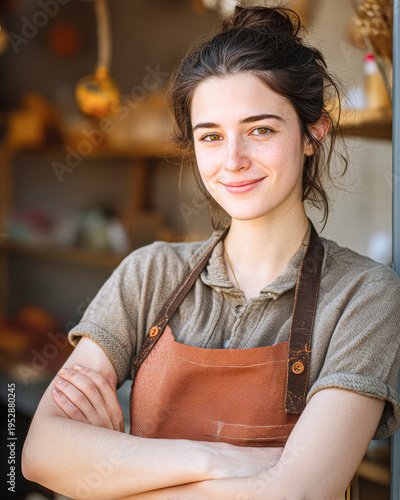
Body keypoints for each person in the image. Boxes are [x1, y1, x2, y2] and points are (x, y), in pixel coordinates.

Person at [22, 5, 400, 500]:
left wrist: (113, 473)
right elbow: (40, 454)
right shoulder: (149, 272)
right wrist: (223, 460)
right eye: (211, 136)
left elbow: (298, 494)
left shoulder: (366, 297)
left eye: (261, 129)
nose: (233, 160)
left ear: (314, 132)